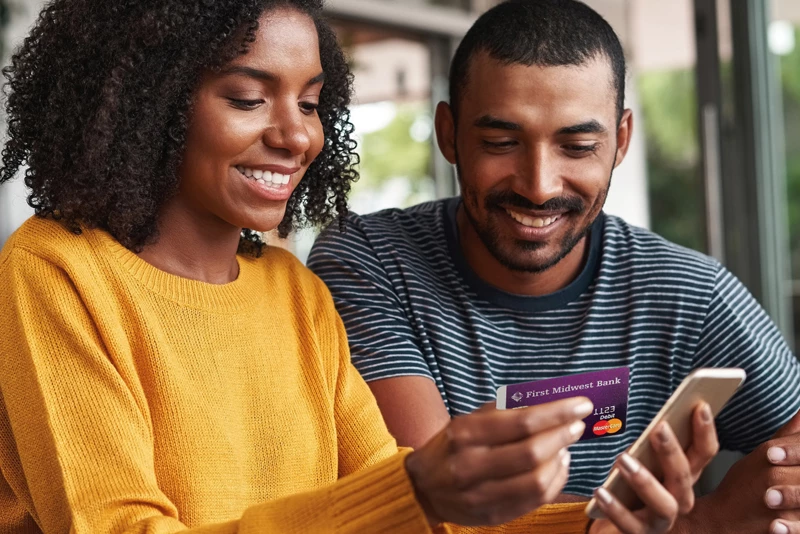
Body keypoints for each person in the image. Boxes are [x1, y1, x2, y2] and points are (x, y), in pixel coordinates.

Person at [0, 0, 711, 533]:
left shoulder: (294, 293)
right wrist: (415, 491)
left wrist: (595, 523)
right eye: (249, 98)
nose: (295, 134)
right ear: (148, 104)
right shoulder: (54, 273)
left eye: (310, 103)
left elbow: (400, 509)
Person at [307, 1, 800, 533]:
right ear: (448, 134)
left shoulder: (689, 293)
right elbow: (444, 505)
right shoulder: (370, 261)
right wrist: (701, 526)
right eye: (501, 142)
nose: (538, 185)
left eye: (578, 146)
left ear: (621, 141)